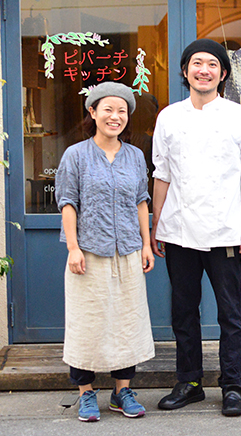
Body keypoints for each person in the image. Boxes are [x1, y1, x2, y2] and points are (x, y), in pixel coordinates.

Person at [151, 38, 241, 417]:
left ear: (223, 73)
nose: (204, 70)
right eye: (196, 63)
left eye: (212, 64)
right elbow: (162, 174)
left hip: (226, 230)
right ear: (185, 71)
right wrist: (156, 223)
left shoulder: (239, 116)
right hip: (178, 230)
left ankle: (232, 386)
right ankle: (190, 382)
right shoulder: (168, 116)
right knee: (183, 311)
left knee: (231, 313)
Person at [55, 82, 155, 423]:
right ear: (93, 113)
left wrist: (146, 243)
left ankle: (121, 391)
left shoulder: (136, 156)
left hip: (127, 250)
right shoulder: (76, 155)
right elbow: (68, 202)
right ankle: (85, 393)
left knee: (127, 322)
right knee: (87, 324)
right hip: (88, 252)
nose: (115, 116)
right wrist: (72, 247)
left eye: (122, 111)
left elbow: (141, 201)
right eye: (108, 109)